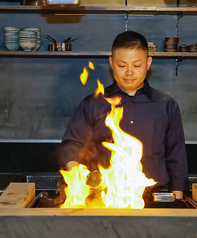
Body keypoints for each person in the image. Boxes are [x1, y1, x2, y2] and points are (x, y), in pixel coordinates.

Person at [60, 30, 188, 200]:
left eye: (136, 65)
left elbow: (176, 155)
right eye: (122, 65)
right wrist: (75, 170)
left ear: (148, 63)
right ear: (111, 63)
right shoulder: (92, 104)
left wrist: (178, 196)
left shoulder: (166, 105)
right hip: (105, 199)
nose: (129, 72)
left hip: (155, 198)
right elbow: (71, 144)